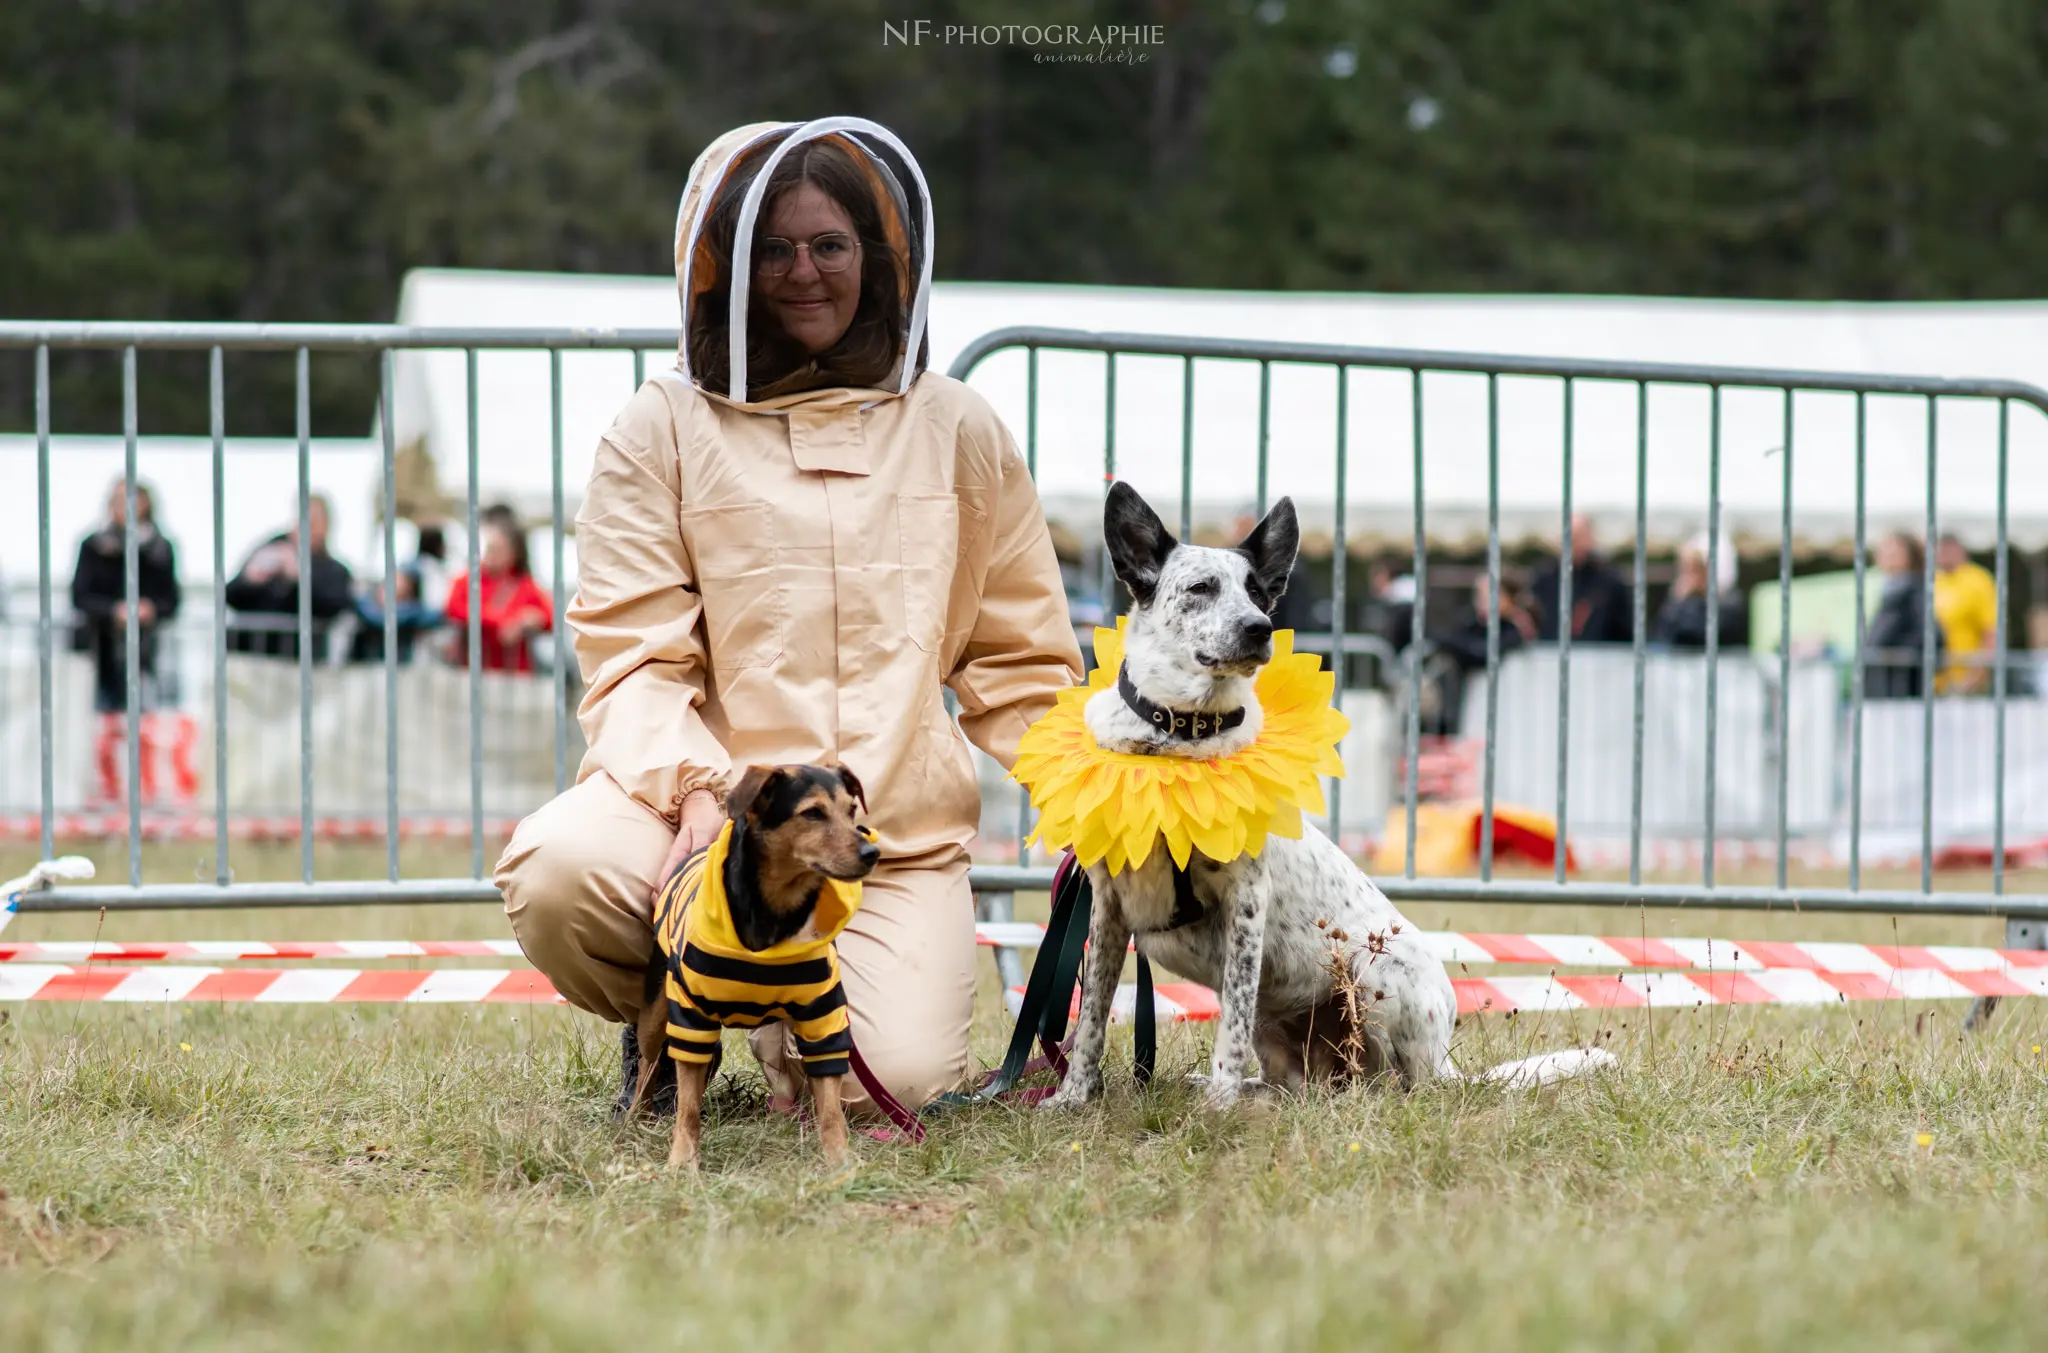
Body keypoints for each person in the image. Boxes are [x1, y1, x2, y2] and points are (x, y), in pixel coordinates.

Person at [494, 119, 1082, 1118]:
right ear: (722, 263)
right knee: (560, 873)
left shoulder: (958, 427)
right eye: (772, 248)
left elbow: (1019, 659)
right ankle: (669, 1020)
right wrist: (695, 799)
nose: (802, 273)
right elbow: (633, 660)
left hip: (881, 841)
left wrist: (1098, 794)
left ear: (881, 255)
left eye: (830, 245)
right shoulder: (660, 427)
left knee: (885, 1088)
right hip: (693, 820)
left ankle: (776, 1018)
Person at [71, 480, 194, 803]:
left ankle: (147, 793)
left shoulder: (160, 548)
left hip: (149, 652)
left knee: (150, 724)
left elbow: (172, 599)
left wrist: (149, 610)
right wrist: (114, 612)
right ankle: (103, 792)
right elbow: (80, 595)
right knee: (102, 723)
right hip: (101, 652)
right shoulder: (93, 545)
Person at [225, 495, 355, 661]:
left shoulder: (336, 571)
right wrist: (251, 579)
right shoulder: (271, 550)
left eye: (313, 522)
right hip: (249, 660)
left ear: (326, 527)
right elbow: (231, 595)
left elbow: (333, 605)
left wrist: (297, 575)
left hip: (299, 663)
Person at [442, 505, 553, 674]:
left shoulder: (525, 585)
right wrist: (502, 622)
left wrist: (527, 620)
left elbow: (549, 618)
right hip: (471, 670)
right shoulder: (469, 579)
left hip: (513, 674)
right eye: (490, 548)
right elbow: (453, 608)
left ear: (515, 553)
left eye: (499, 549)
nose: (492, 555)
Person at [1529, 513, 1633, 644]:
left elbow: (1625, 629)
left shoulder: (1610, 580)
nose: (1573, 543)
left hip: (1601, 657)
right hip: (1549, 655)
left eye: (1578, 536)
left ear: (1591, 538)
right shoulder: (1543, 577)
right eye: (1568, 537)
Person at [1864, 532, 1943, 699]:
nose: (1886, 558)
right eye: (1883, 553)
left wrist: (1895, 654)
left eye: (1893, 554)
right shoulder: (1889, 589)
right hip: (1885, 683)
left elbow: (1931, 634)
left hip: (1900, 686)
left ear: (1909, 557)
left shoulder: (1913, 591)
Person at [1653, 534, 1749, 649]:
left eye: (1695, 569)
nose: (1688, 576)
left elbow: (1700, 635)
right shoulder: (1679, 600)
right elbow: (1663, 636)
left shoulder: (1731, 603)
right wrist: (1677, 601)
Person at [1932, 532, 1998, 695]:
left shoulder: (1978, 580)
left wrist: (1977, 675)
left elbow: (1991, 631)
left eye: (1948, 550)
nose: (1943, 556)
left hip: (1967, 678)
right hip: (1936, 679)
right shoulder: (1932, 579)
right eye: (1940, 551)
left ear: (1961, 552)